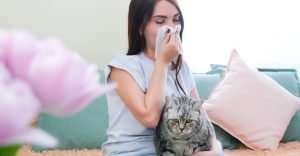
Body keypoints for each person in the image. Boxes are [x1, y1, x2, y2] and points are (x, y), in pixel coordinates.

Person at [101, 0, 223, 155]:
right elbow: (150, 118)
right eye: (160, 21)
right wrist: (163, 61)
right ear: (140, 27)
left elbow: (204, 122)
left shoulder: (182, 68)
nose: (171, 28)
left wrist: (212, 150)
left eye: (177, 19)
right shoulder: (121, 68)